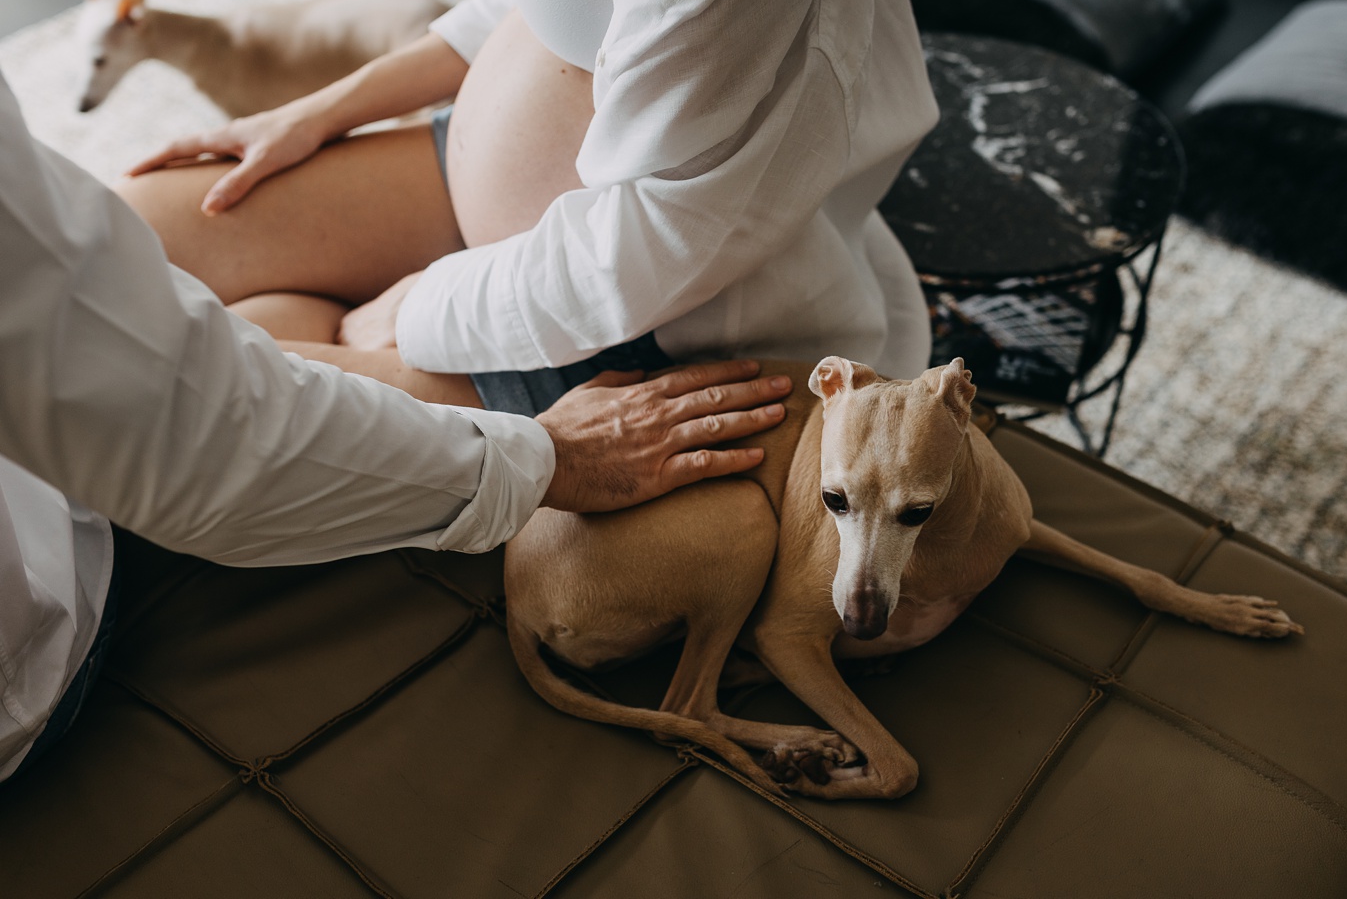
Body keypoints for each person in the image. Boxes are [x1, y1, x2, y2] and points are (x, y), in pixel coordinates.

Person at [0, 70, 794, 782]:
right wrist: (549, 454)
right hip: (37, 607)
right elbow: (207, 445)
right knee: (271, 340)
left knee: (182, 243)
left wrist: (329, 104)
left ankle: (335, 321)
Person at [115, 0, 939, 415]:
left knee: (183, 366)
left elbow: (664, 238)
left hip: (636, 318)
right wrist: (321, 110)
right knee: (117, 241)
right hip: (490, 207)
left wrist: (414, 311)